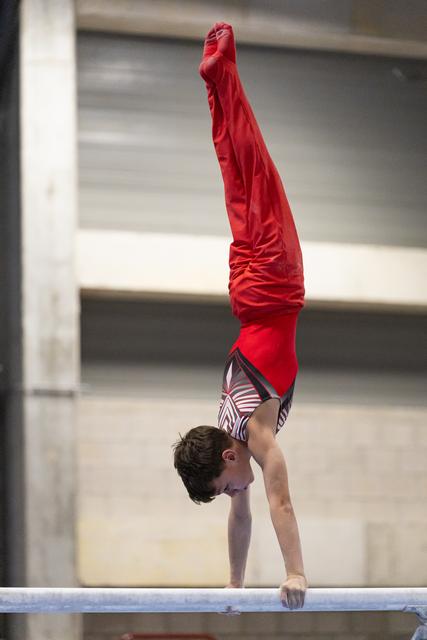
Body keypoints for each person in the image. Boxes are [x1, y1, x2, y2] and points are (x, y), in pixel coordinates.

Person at [173, 22, 308, 610]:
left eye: (229, 484)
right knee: (236, 170)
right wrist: (234, 585)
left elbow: (279, 503)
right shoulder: (227, 426)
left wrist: (296, 574)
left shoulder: (253, 436)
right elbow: (243, 516)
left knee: (252, 160)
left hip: (275, 282)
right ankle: (214, 79)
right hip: (249, 291)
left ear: (230, 457)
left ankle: (222, 70)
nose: (236, 492)